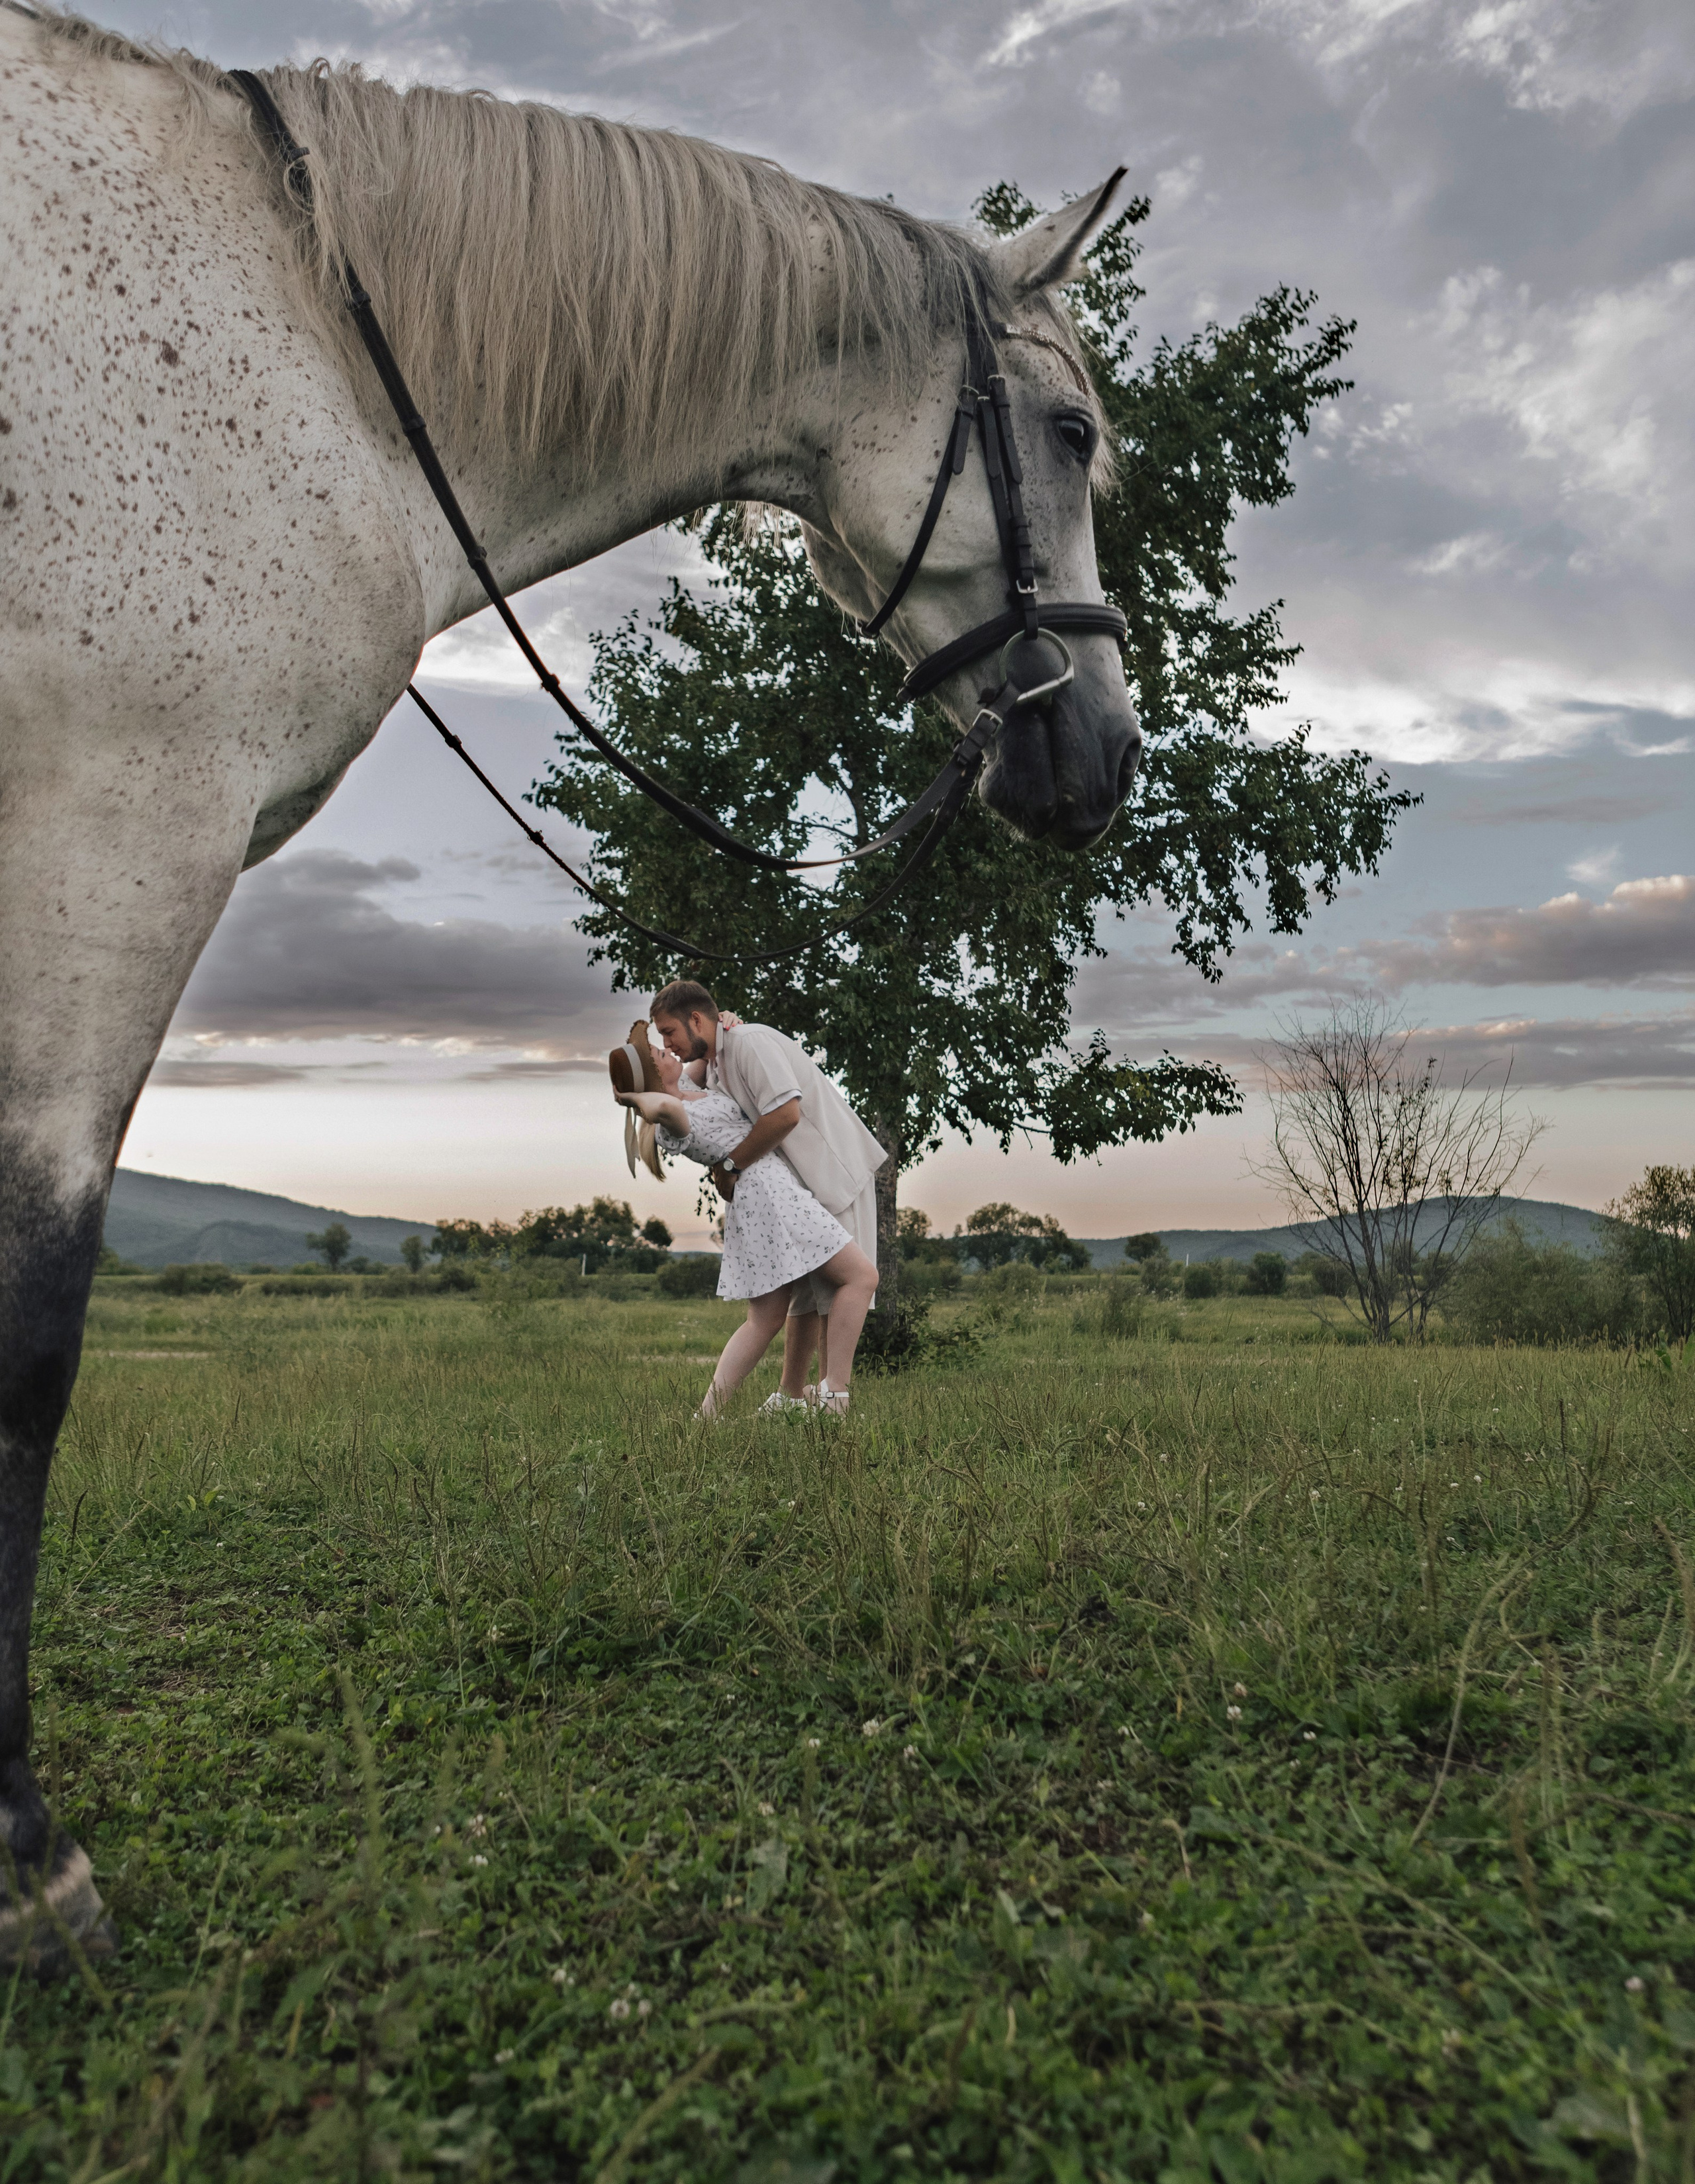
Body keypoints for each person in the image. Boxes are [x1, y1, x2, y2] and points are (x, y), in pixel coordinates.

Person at [632, 980, 887, 1413]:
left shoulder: (744, 1045)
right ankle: (813, 1399)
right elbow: (676, 1092)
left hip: (830, 1171)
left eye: (668, 1033)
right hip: (784, 1187)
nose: (667, 1044)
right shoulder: (711, 1063)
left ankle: (816, 1398)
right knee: (815, 1294)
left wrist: (730, 1165)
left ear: (696, 1019)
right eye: (660, 1043)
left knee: (826, 1293)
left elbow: (785, 1113)